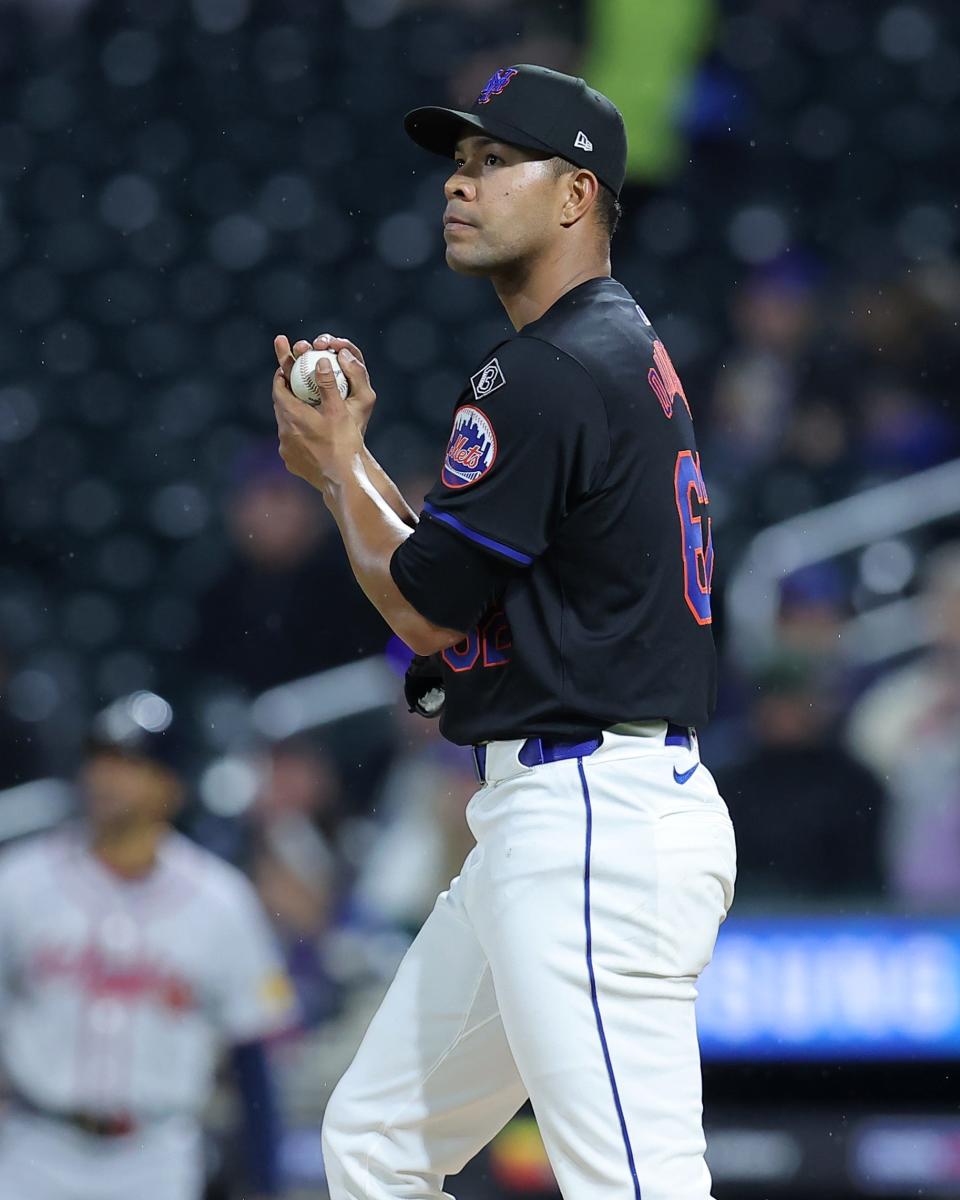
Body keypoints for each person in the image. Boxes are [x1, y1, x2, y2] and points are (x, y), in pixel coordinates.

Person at [271, 64, 735, 1200]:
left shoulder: (548, 366)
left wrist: (338, 469)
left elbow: (425, 606)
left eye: (495, 163)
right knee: (375, 1145)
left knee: (638, 1187)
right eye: (458, 165)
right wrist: (352, 464)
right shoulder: (604, 348)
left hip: (592, 820)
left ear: (578, 196)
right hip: (564, 811)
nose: (459, 187)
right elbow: (455, 579)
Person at [0, 692, 296, 1200]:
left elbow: (253, 1054)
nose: (108, 779)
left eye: (131, 763)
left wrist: (266, 1183)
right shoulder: (19, 883)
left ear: (172, 786)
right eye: (102, 758)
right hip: (33, 1146)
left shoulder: (222, 901)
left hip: (157, 1157)